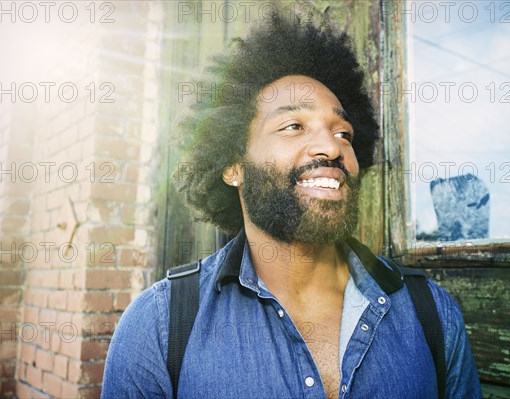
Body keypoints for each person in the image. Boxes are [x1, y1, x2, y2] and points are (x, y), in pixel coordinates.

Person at [102, 9, 481, 399]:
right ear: (233, 165)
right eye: (294, 126)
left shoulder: (431, 313)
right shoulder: (161, 326)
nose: (332, 147)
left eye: (343, 132)